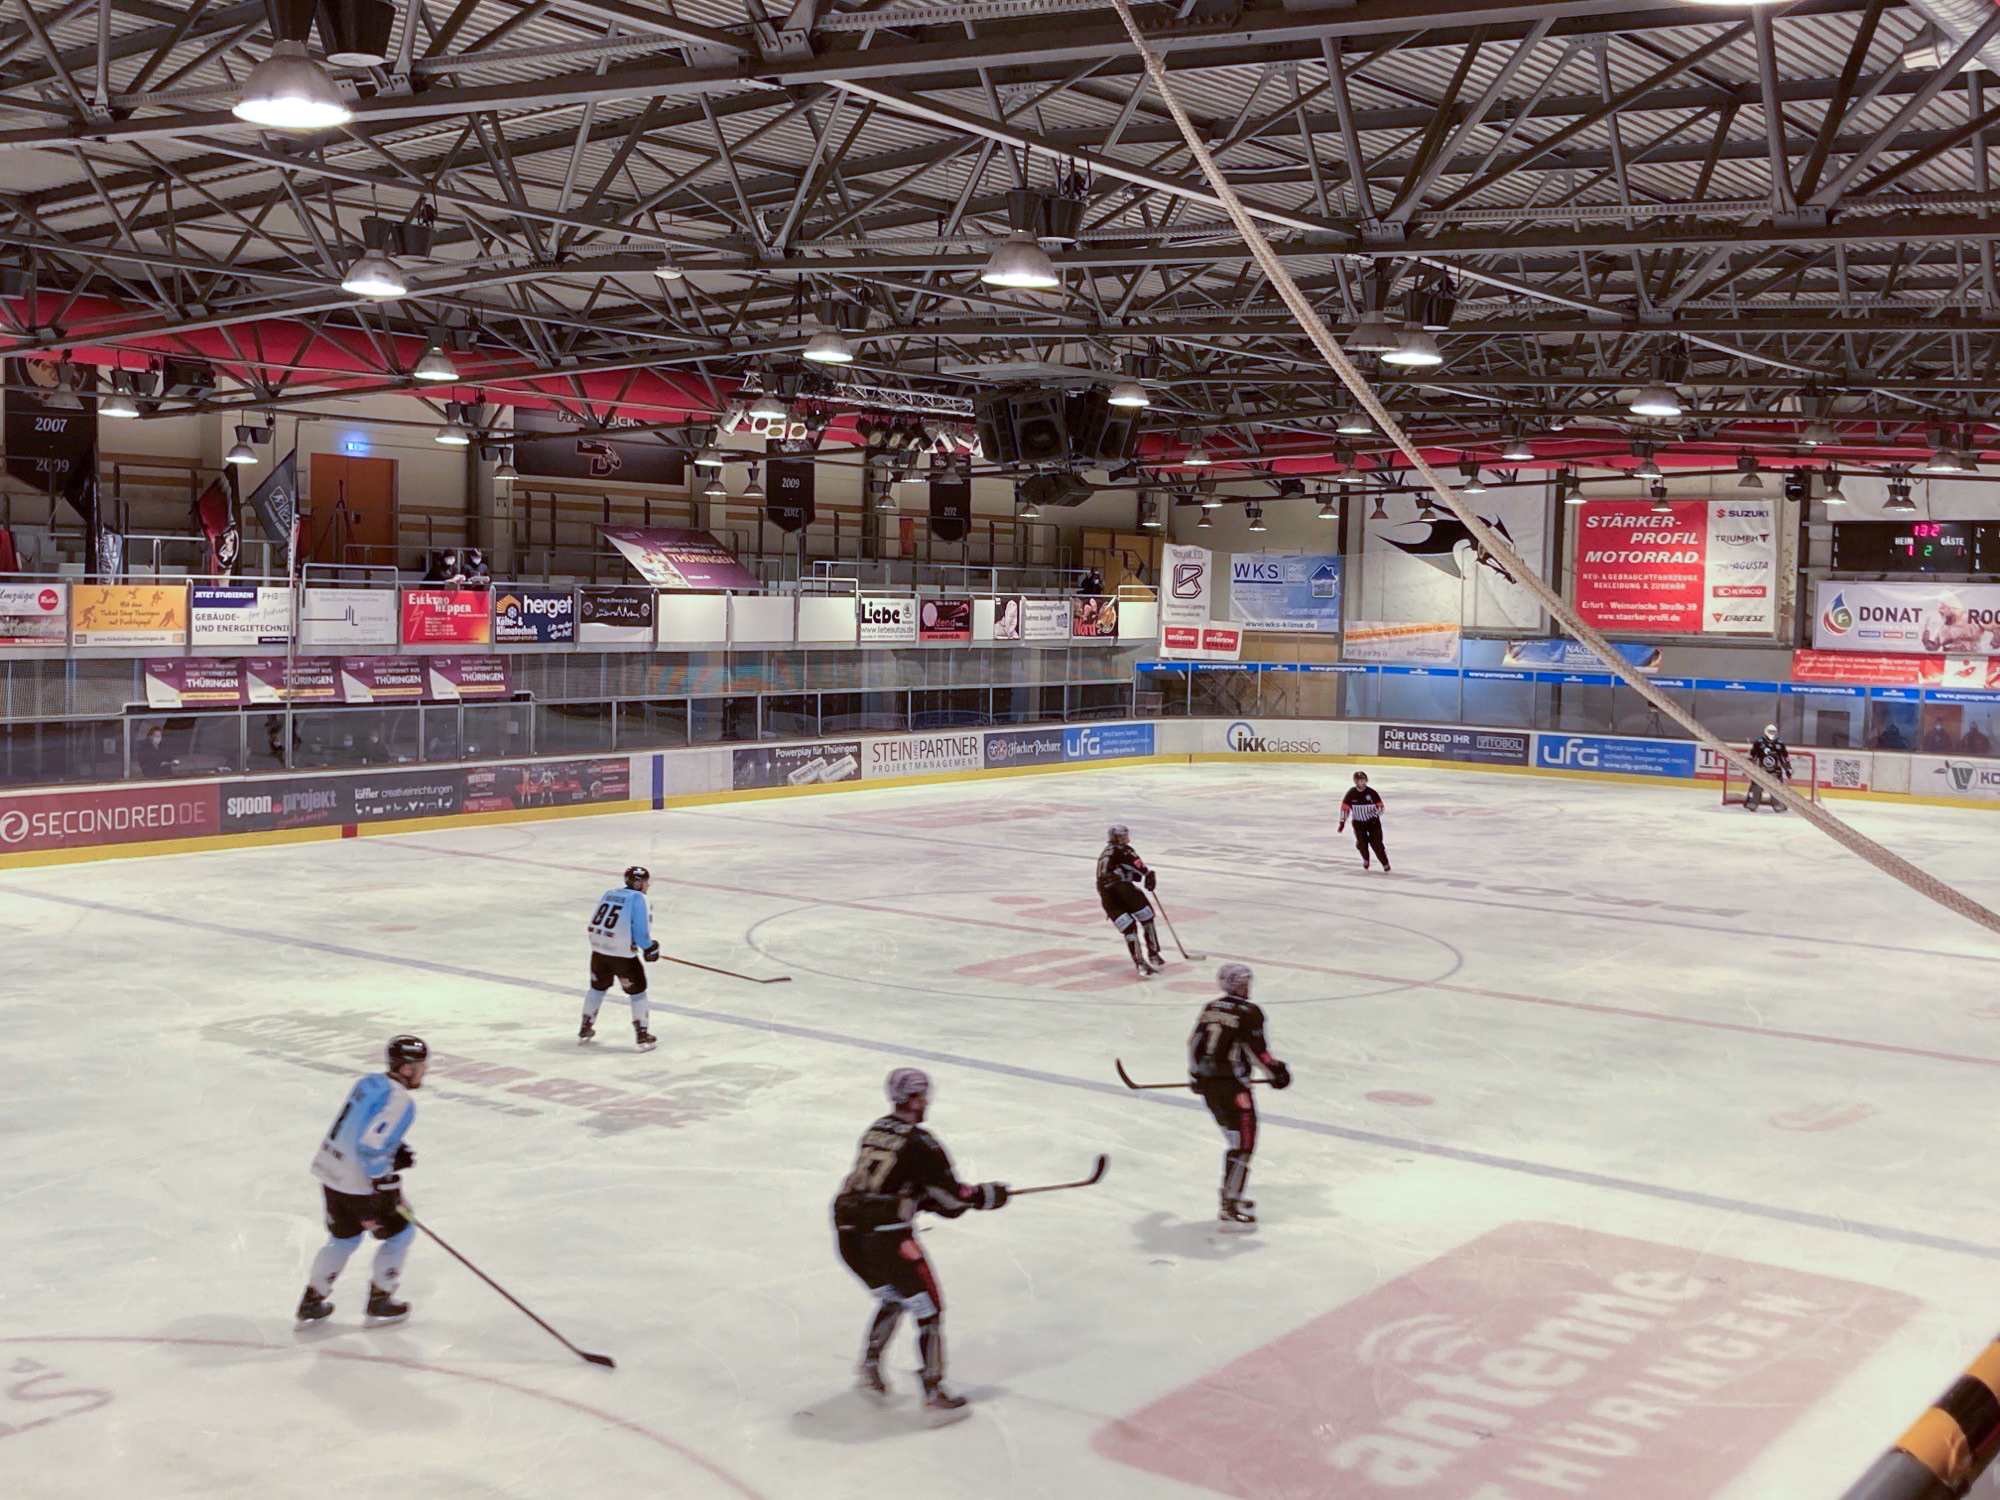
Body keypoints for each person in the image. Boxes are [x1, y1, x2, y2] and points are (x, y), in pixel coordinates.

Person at [831, 1068, 1008, 1414]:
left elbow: (903, 1189)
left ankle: (869, 1367)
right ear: (912, 1099)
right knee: (929, 1309)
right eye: (923, 1095)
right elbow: (953, 1199)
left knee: (895, 1298)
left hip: (848, 1236)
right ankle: (933, 1390)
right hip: (887, 1239)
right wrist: (988, 1195)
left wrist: (924, 1201)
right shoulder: (921, 1143)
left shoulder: (876, 1129)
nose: (927, 1102)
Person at [298, 1035, 428, 1326]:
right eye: (420, 1066)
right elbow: (371, 1146)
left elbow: (360, 1126)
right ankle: (380, 1300)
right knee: (400, 1233)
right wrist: (387, 1186)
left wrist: (393, 1151)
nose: (424, 1071)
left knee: (343, 1239)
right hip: (359, 1184)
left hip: (330, 1173)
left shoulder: (368, 1082)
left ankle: (312, 1299)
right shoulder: (401, 1100)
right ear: (407, 1068)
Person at [1187, 965, 1290, 1227]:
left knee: (1235, 1140)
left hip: (1210, 1087)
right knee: (1243, 1144)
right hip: (1234, 1088)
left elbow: (1194, 1044)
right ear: (1242, 984)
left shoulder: (1211, 1007)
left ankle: (1230, 1196)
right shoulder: (1249, 1012)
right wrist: (1276, 1072)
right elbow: (1258, 1051)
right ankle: (1230, 1204)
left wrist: (1196, 1076)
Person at [583, 865, 659, 1049]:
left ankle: (585, 1027)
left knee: (597, 988)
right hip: (623, 958)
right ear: (640, 883)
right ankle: (642, 1035)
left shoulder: (610, 893)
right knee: (638, 992)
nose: (647, 886)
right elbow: (641, 933)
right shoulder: (639, 898)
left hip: (599, 953)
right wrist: (650, 948)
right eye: (646, 882)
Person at [1096, 824, 1163, 976]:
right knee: (1146, 917)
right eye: (1124, 835)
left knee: (1129, 928)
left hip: (1107, 896)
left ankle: (1140, 962)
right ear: (1119, 837)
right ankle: (1153, 953)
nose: (1127, 837)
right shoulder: (1123, 849)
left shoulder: (1106, 852)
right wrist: (1148, 874)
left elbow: (1126, 872)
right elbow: (1138, 866)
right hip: (1122, 889)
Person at [1339, 772, 1389, 871]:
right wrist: (1342, 822)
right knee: (1362, 844)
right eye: (1360, 781)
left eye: (1364, 780)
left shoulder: (1372, 793)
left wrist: (1375, 816)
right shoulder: (1351, 793)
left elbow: (1381, 807)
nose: (1362, 783)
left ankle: (1385, 863)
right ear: (1356, 782)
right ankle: (1366, 858)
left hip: (1373, 823)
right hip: (1358, 823)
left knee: (1377, 844)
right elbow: (1345, 808)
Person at [1743, 724, 1793, 813]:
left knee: (1777, 789)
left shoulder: (1780, 743)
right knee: (1756, 787)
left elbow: (1784, 757)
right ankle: (1752, 803)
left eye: (1773, 732)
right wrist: (1747, 766)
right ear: (1765, 731)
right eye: (1770, 731)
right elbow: (1752, 755)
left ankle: (1778, 804)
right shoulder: (1759, 741)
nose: (1771, 733)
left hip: (1775, 771)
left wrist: (1788, 768)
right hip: (1761, 770)